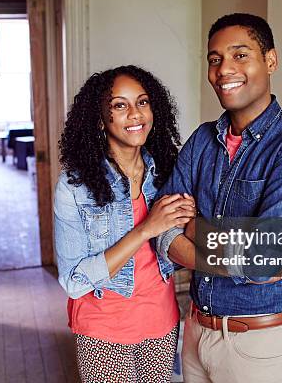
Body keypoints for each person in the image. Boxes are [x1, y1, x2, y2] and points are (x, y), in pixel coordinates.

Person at [156, 13, 282, 383]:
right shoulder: (202, 140)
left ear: (270, 61)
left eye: (240, 55)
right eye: (215, 59)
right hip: (196, 333)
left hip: (262, 345)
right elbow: (160, 230)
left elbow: (265, 259)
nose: (223, 70)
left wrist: (190, 227)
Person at [54, 65, 196, 382]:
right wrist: (146, 229)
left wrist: (191, 214)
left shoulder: (166, 173)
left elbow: (182, 240)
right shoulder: (75, 186)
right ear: (100, 119)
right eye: (120, 105)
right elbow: (74, 281)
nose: (135, 114)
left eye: (143, 102)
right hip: (104, 328)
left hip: (161, 322)